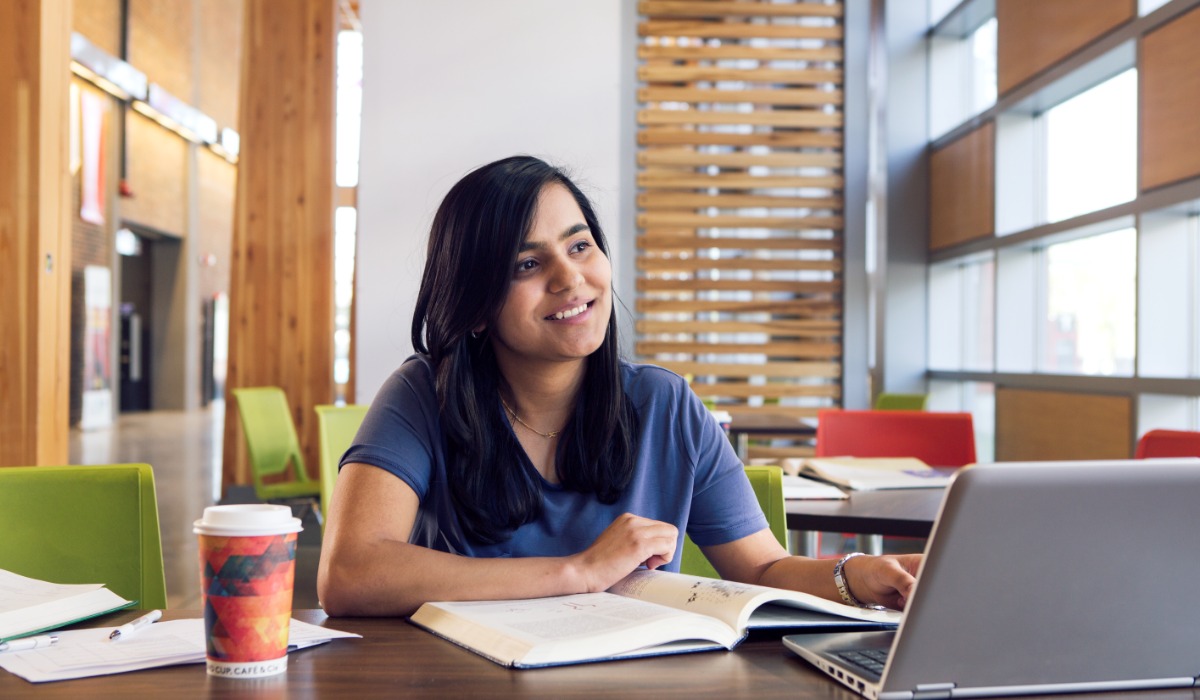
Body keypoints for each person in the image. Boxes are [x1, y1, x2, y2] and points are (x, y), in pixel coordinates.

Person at [317, 155, 919, 617]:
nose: (570, 277)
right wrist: (577, 572)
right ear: (475, 305)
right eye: (527, 265)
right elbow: (350, 572)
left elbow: (761, 570)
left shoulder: (665, 405)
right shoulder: (425, 393)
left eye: (580, 246)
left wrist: (855, 574)